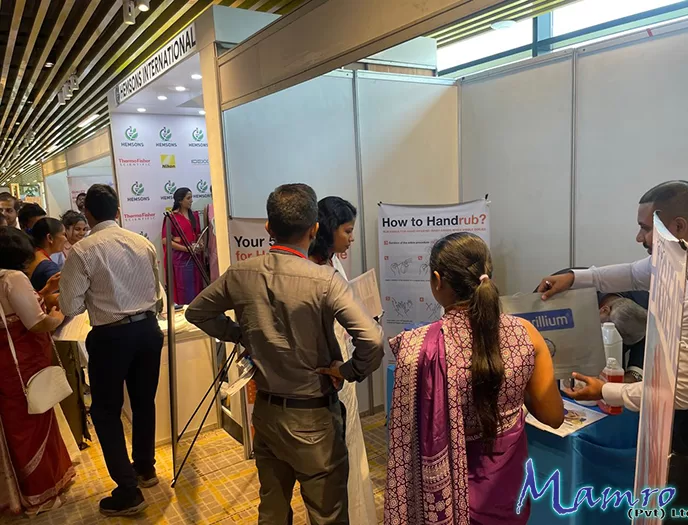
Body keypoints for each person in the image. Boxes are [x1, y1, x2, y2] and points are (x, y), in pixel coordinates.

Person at [185, 183, 384, 525]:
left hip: (266, 413)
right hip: (315, 419)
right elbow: (373, 340)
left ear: (268, 227)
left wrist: (240, 334)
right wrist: (348, 371)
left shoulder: (240, 274)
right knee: (327, 515)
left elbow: (196, 312)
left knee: (273, 511)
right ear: (314, 229)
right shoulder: (325, 280)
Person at [536, 180, 688, 519]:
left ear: (678, 227)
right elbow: (630, 274)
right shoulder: (679, 260)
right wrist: (574, 277)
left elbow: (682, 394)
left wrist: (606, 391)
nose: (639, 238)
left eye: (646, 228)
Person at [386, 232, 564, 525]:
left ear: (437, 281)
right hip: (508, 487)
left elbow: (407, 438)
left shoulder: (418, 348)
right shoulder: (527, 334)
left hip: (442, 493)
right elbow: (553, 417)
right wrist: (514, 386)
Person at [59, 184, 163, 517]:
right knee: (144, 402)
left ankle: (128, 491)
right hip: (148, 330)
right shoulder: (142, 242)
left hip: (111, 336)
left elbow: (70, 306)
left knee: (106, 412)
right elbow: (157, 292)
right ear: (117, 210)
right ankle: (145, 468)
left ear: (87, 213)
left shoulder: (82, 251)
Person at [308, 196, 376, 525]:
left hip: (344, 362)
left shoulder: (333, 261)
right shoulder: (311, 269)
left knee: (350, 442)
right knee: (334, 455)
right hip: (327, 370)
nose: (352, 238)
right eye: (347, 231)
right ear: (328, 229)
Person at [0, 226, 75, 516]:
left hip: (8, 363)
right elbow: (36, 322)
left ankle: (23, 492)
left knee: (16, 425)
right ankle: (41, 493)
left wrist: (43, 292)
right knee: (34, 423)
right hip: (25, 363)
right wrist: (60, 314)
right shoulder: (13, 277)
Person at [161, 187, 203, 305]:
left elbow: (198, 234)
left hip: (196, 257)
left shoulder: (194, 215)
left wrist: (200, 243)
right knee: (185, 289)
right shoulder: (171, 217)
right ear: (180, 200)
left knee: (197, 287)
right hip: (182, 259)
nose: (191, 200)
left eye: (191, 197)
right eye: (188, 198)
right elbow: (165, 240)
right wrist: (186, 249)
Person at [599, 293, 648, 382]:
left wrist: (632, 376)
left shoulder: (647, 308)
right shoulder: (581, 298)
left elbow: (642, 346)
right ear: (604, 310)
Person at [25, 218, 66, 292]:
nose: (66, 239)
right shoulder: (49, 268)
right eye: (63, 234)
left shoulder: (32, 255)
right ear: (50, 238)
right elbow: (56, 297)